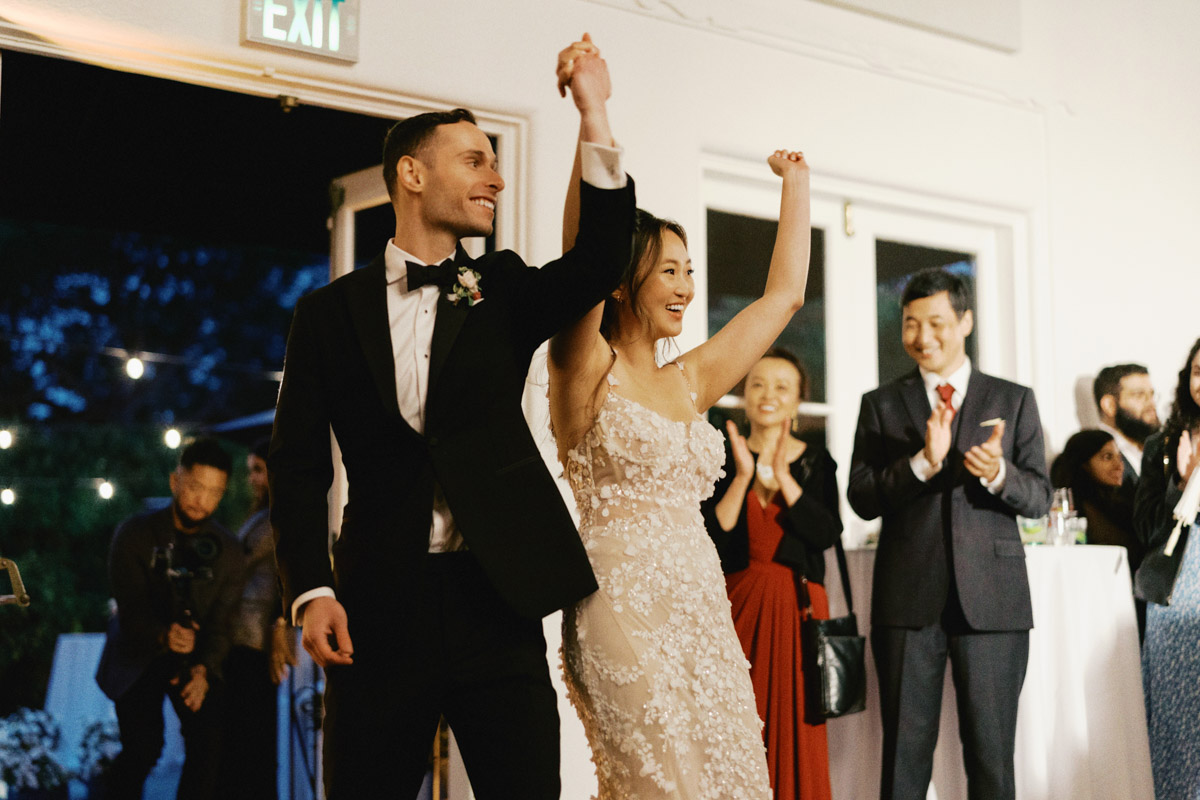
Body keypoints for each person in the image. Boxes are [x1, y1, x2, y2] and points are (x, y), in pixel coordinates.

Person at [267, 35, 635, 799]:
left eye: (496, 162)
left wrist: (594, 111)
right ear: (412, 172)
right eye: (474, 160)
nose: (496, 179)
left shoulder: (499, 288)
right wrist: (312, 589)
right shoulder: (327, 315)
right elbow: (297, 465)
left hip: (494, 598)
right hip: (377, 607)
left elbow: (600, 260)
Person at [548, 35, 810, 789]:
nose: (686, 288)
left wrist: (795, 182)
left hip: (701, 603)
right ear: (623, 281)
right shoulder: (583, 370)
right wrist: (593, 116)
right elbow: (580, 260)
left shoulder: (690, 380)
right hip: (618, 604)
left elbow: (783, 296)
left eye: (690, 272)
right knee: (659, 781)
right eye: (669, 270)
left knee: (728, 779)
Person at [847, 269, 1051, 800]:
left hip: (994, 601)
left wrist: (997, 474)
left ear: (966, 321)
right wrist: (921, 463)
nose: (922, 336)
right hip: (906, 600)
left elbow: (1039, 498)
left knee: (991, 760)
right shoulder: (881, 404)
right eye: (910, 324)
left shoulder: (1014, 399)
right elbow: (862, 498)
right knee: (904, 762)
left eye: (936, 322)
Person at [702, 348, 843, 800]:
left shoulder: (817, 461)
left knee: (794, 727)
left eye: (782, 387)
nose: (768, 395)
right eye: (758, 383)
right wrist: (743, 476)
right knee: (731, 725)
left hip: (797, 614)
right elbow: (713, 537)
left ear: (798, 400)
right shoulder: (721, 455)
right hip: (735, 608)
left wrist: (784, 477)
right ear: (743, 394)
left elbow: (825, 533)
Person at [96, 437, 242, 800]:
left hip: (194, 658)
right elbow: (129, 613)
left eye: (213, 492)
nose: (201, 500)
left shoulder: (227, 550)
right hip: (138, 655)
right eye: (194, 487)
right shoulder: (135, 534)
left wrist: (204, 669)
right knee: (144, 747)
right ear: (175, 480)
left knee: (210, 743)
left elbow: (223, 621)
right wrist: (164, 636)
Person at [1134, 337, 1200, 799]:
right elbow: (1144, 527)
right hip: (1176, 595)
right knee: (1175, 724)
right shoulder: (1162, 443)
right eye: (1199, 371)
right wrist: (1180, 484)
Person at [218, 437, 295, 799]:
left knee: (248, 738)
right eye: (251, 471)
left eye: (258, 470)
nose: (252, 479)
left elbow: (235, 567)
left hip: (252, 640)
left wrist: (280, 622)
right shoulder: (261, 518)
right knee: (246, 737)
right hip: (246, 638)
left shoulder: (273, 521)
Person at [1051, 429, 1145, 636]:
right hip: (1095, 611)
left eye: (1119, 456)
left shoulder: (1129, 502)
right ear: (1083, 463)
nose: (1118, 465)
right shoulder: (1076, 511)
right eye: (1107, 457)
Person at [1094, 363, 1159, 481]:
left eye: (1151, 395)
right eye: (1139, 395)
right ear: (1109, 405)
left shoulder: (1155, 448)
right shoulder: (1091, 455)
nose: (1151, 404)